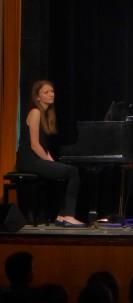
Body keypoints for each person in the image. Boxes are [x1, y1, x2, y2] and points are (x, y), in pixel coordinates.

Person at [15, 80, 84, 227]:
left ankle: (61, 215)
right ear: (37, 97)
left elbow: (43, 146)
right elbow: (34, 145)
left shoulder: (46, 115)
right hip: (28, 160)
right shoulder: (35, 112)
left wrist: (51, 160)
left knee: (65, 172)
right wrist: (48, 161)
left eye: (52, 91)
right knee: (72, 171)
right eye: (46, 92)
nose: (51, 94)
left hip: (36, 159)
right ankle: (69, 215)